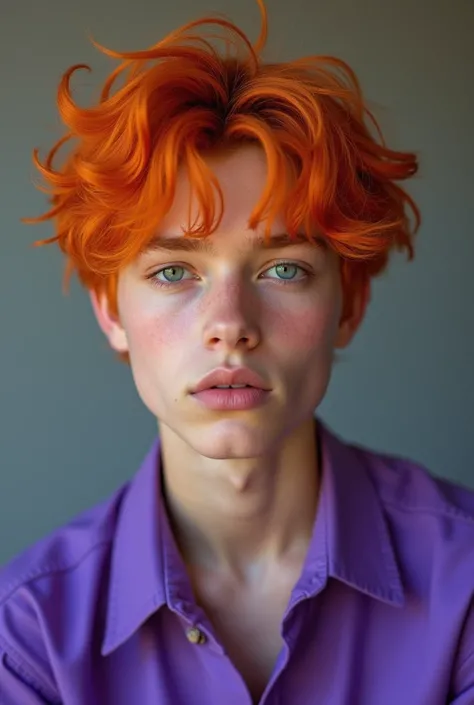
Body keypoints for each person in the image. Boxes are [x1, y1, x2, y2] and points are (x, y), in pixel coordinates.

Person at [1, 1, 473, 703]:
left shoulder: (465, 582)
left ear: (351, 303)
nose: (229, 324)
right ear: (110, 310)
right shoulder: (28, 634)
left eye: (283, 268)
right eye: (173, 271)